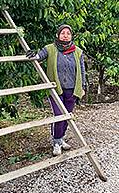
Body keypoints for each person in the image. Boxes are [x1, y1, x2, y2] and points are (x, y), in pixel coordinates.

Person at [26, 24, 86, 156]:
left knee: (67, 116)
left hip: (72, 88)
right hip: (56, 89)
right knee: (59, 115)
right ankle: (56, 142)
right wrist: (33, 53)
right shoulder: (50, 49)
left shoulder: (78, 51)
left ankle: (61, 138)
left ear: (71, 36)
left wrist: (83, 86)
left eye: (68, 33)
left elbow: (82, 70)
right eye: (63, 33)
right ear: (57, 35)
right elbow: (38, 56)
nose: (65, 35)